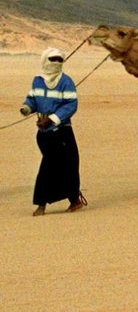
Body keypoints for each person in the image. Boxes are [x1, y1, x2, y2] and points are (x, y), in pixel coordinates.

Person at [21, 47, 86, 216]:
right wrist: (27, 108)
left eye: (59, 59)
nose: (56, 63)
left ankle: (65, 201)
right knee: (54, 165)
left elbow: (71, 105)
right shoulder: (37, 81)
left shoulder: (66, 82)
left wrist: (51, 119)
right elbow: (32, 99)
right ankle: (57, 202)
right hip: (44, 134)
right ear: (45, 60)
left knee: (67, 165)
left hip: (62, 131)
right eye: (53, 59)